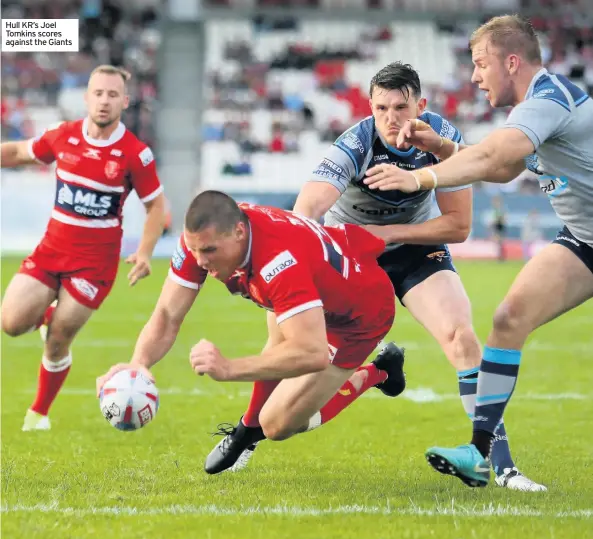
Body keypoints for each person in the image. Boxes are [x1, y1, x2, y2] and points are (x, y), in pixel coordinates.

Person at [361, 15, 593, 488]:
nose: (473, 76)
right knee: (508, 320)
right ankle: (480, 453)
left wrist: (419, 176)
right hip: (584, 240)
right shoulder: (535, 108)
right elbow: (505, 169)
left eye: (480, 63)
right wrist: (443, 146)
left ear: (511, 62)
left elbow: (490, 158)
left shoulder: (549, 101)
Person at [292, 61, 544, 490]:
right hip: (351, 253)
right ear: (370, 109)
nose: (391, 118)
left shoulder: (443, 142)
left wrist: (386, 232)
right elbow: (307, 211)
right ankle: (250, 435)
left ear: (420, 106)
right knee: (301, 375)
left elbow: (458, 227)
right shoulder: (355, 142)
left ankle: (500, 467)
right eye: (381, 108)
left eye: (401, 107)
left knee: (462, 338)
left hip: (413, 247)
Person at [96, 191, 406, 474]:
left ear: (239, 233)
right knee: (275, 343)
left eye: (209, 251)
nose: (201, 261)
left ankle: (377, 372)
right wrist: (140, 363)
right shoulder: (208, 240)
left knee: (277, 424)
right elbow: (167, 313)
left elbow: (311, 352)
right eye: (194, 250)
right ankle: (247, 429)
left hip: (358, 315)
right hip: (310, 291)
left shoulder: (278, 261)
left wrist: (229, 368)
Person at [0, 65, 166, 431]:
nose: (104, 101)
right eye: (98, 93)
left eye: (112, 95)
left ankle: (39, 413)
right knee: (10, 324)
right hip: (50, 253)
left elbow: (157, 207)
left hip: (94, 266)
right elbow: (17, 151)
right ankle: (44, 317)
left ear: (124, 101)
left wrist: (145, 252)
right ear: (87, 96)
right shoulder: (64, 136)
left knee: (59, 340)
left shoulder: (135, 154)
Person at [489, 195, 507, 262]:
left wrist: (497, 220)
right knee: (498, 243)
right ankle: (500, 257)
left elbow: (503, 219)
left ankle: (501, 257)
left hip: (500, 226)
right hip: (496, 226)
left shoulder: (501, 210)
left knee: (500, 243)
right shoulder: (495, 210)